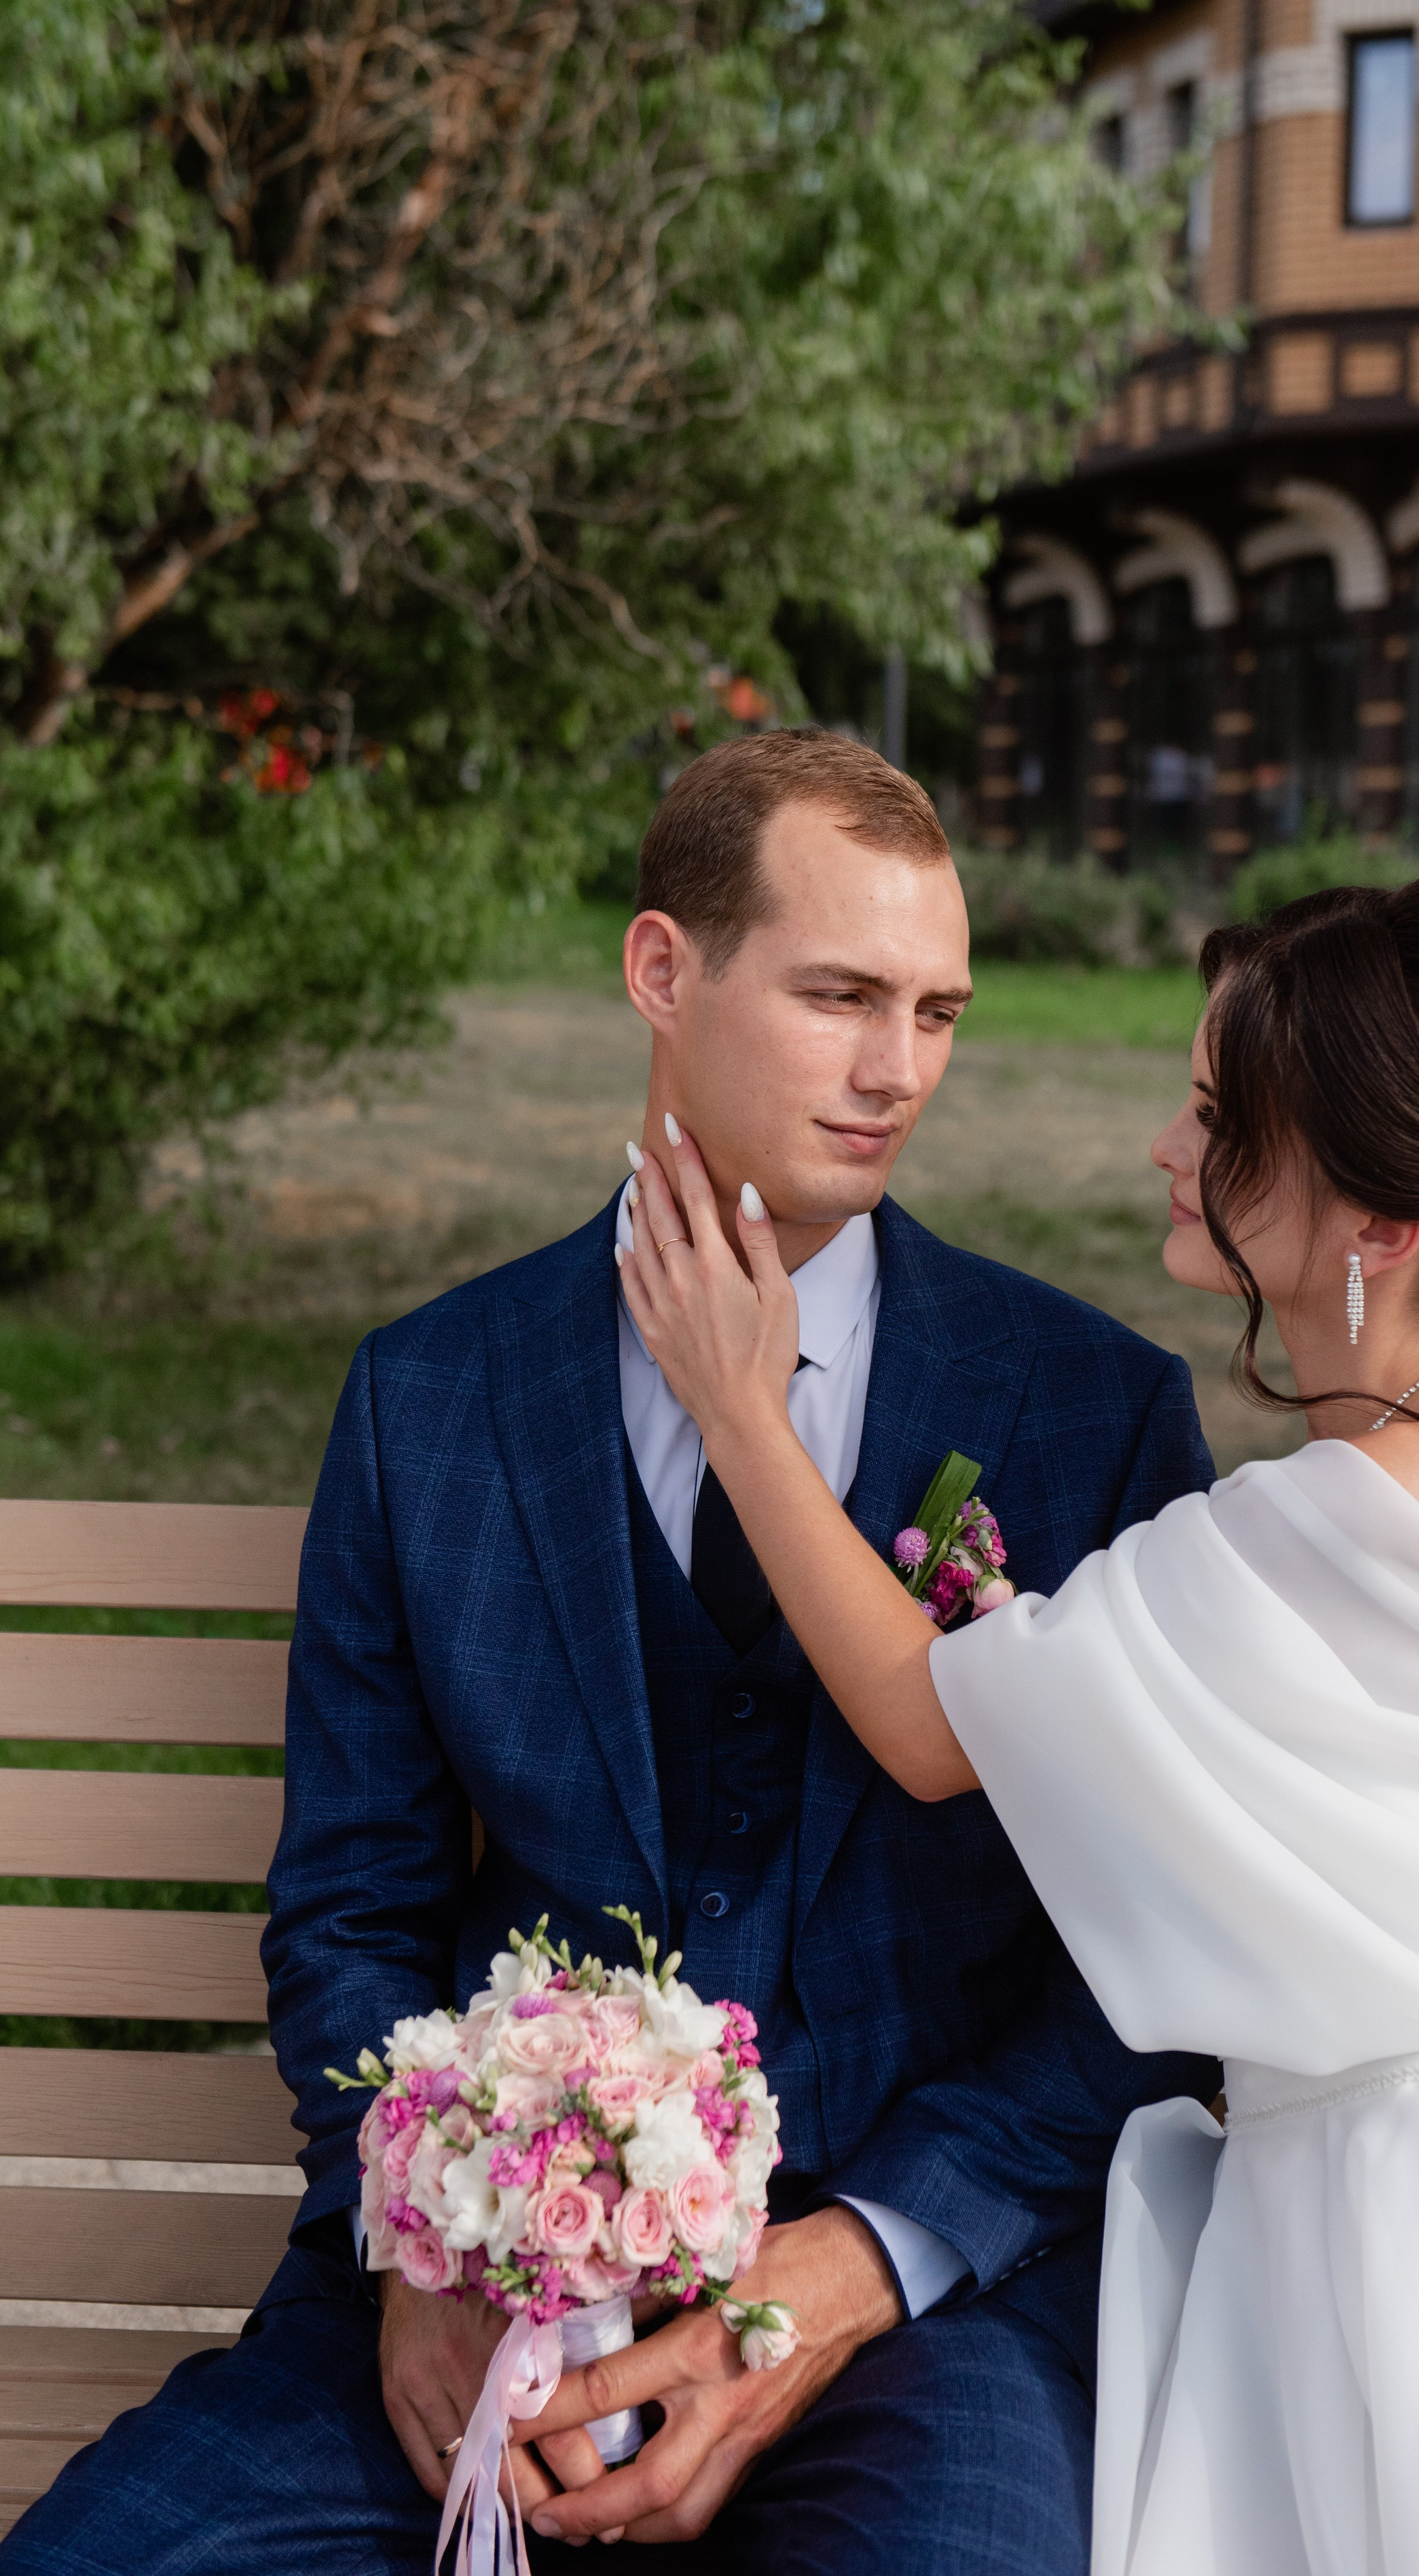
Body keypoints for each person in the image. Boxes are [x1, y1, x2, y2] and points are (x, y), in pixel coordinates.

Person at [1, 730, 1219, 2576]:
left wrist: (866, 2257)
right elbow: (351, 1907)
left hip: (916, 2317)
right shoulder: (433, 1399)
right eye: (839, 995)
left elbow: (1142, 1969)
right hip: (482, 2285)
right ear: (665, 969)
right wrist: (414, 2247)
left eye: (940, 1011)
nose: (901, 1070)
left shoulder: (1084, 1413)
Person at [596, 871, 1419, 2574]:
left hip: (1408, 2258)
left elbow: (926, 1724)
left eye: (1218, 1119)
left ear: (1380, 1225)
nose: (1162, 1147)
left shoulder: (1327, 1521)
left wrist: (739, 1411)